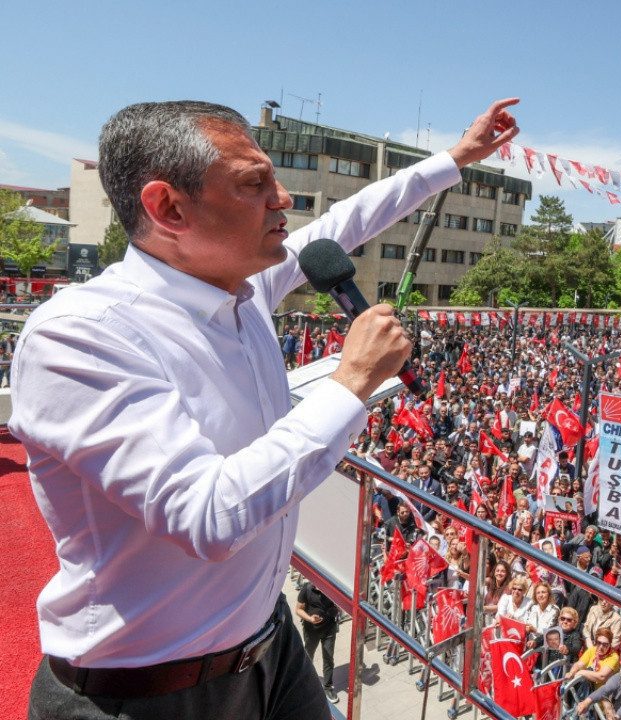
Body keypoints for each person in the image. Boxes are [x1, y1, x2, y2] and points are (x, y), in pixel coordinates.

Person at [19, 98, 518, 719]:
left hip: (269, 650)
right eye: (254, 184)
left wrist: (458, 158)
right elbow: (207, 518)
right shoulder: (80, 335)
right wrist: (351, 382)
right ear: (168, 208)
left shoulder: (244, 287)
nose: (282, 199)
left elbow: (350, 218)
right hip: (143, 693)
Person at [294, 581, 341, 703]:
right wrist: (310, 619)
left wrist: (337, 609)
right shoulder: (307, 589)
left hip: (329, 629)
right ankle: (306, 684)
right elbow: (298, 610)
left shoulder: (331, 587)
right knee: (308, 657)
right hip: (311, 631)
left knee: (328, 657)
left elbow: (340, 606)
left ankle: (328, 687)